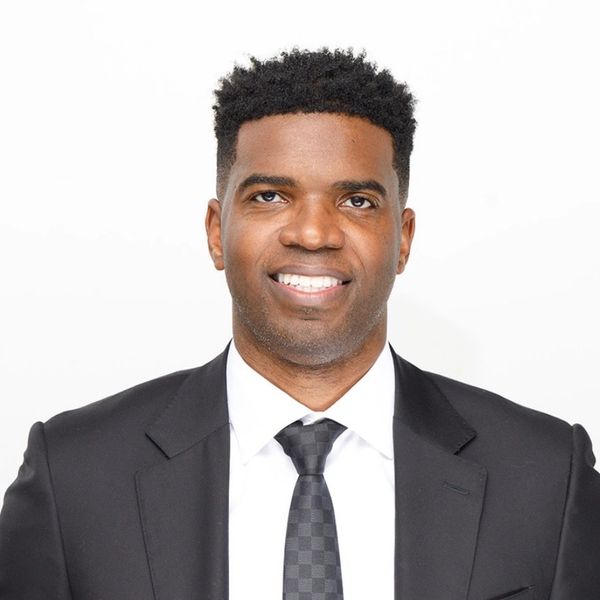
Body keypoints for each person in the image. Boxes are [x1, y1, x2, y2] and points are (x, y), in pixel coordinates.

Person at [0, 48, 598, 600]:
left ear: (403, 239)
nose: (313, 233)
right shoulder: (72, 476)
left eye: (357, 201)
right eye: (269, 196)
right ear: (216, 232)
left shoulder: (548, 477)